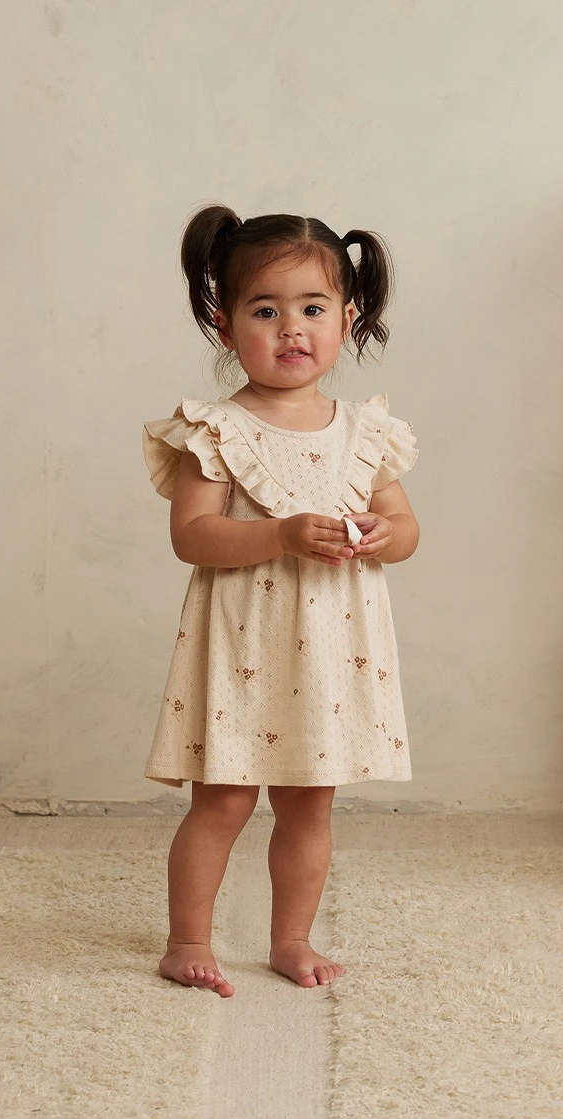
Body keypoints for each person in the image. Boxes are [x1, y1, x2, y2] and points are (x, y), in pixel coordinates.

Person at [142, 205, 419, 998]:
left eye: (312, 308)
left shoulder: (364, 432)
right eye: (265, 311)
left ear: (347, 319)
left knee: (308, 808)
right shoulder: (216, 431)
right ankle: (188, 940)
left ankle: (291, 938)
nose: (291, 329)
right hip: (245, 643)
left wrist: (381, 533)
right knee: (224, 803)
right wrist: (283, 534)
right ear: (225, 326)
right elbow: (193, 536)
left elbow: (404, 529)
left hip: (327, 652)